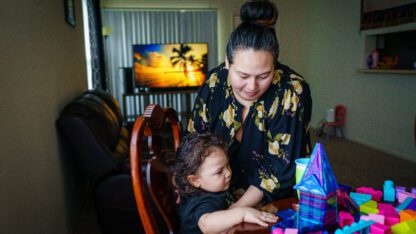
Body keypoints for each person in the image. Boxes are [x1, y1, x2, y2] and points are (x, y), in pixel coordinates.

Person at [186, 0, 312, 207]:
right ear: (227, 62)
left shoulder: (292, 90)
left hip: (271, 198)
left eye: (264, 75)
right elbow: (194, 140)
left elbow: (280, 169)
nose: (252, 86)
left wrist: (235, 211)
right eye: (243, 75)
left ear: (274, 65)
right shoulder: (214, 81)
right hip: (214, 190)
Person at [172, 132, 278, 233]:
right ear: (195, 180)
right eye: (219, 171)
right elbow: (206, 224)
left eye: (227, 165)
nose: (228, 173)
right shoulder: (204, 201)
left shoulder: (207, 187)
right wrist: (242, 214)